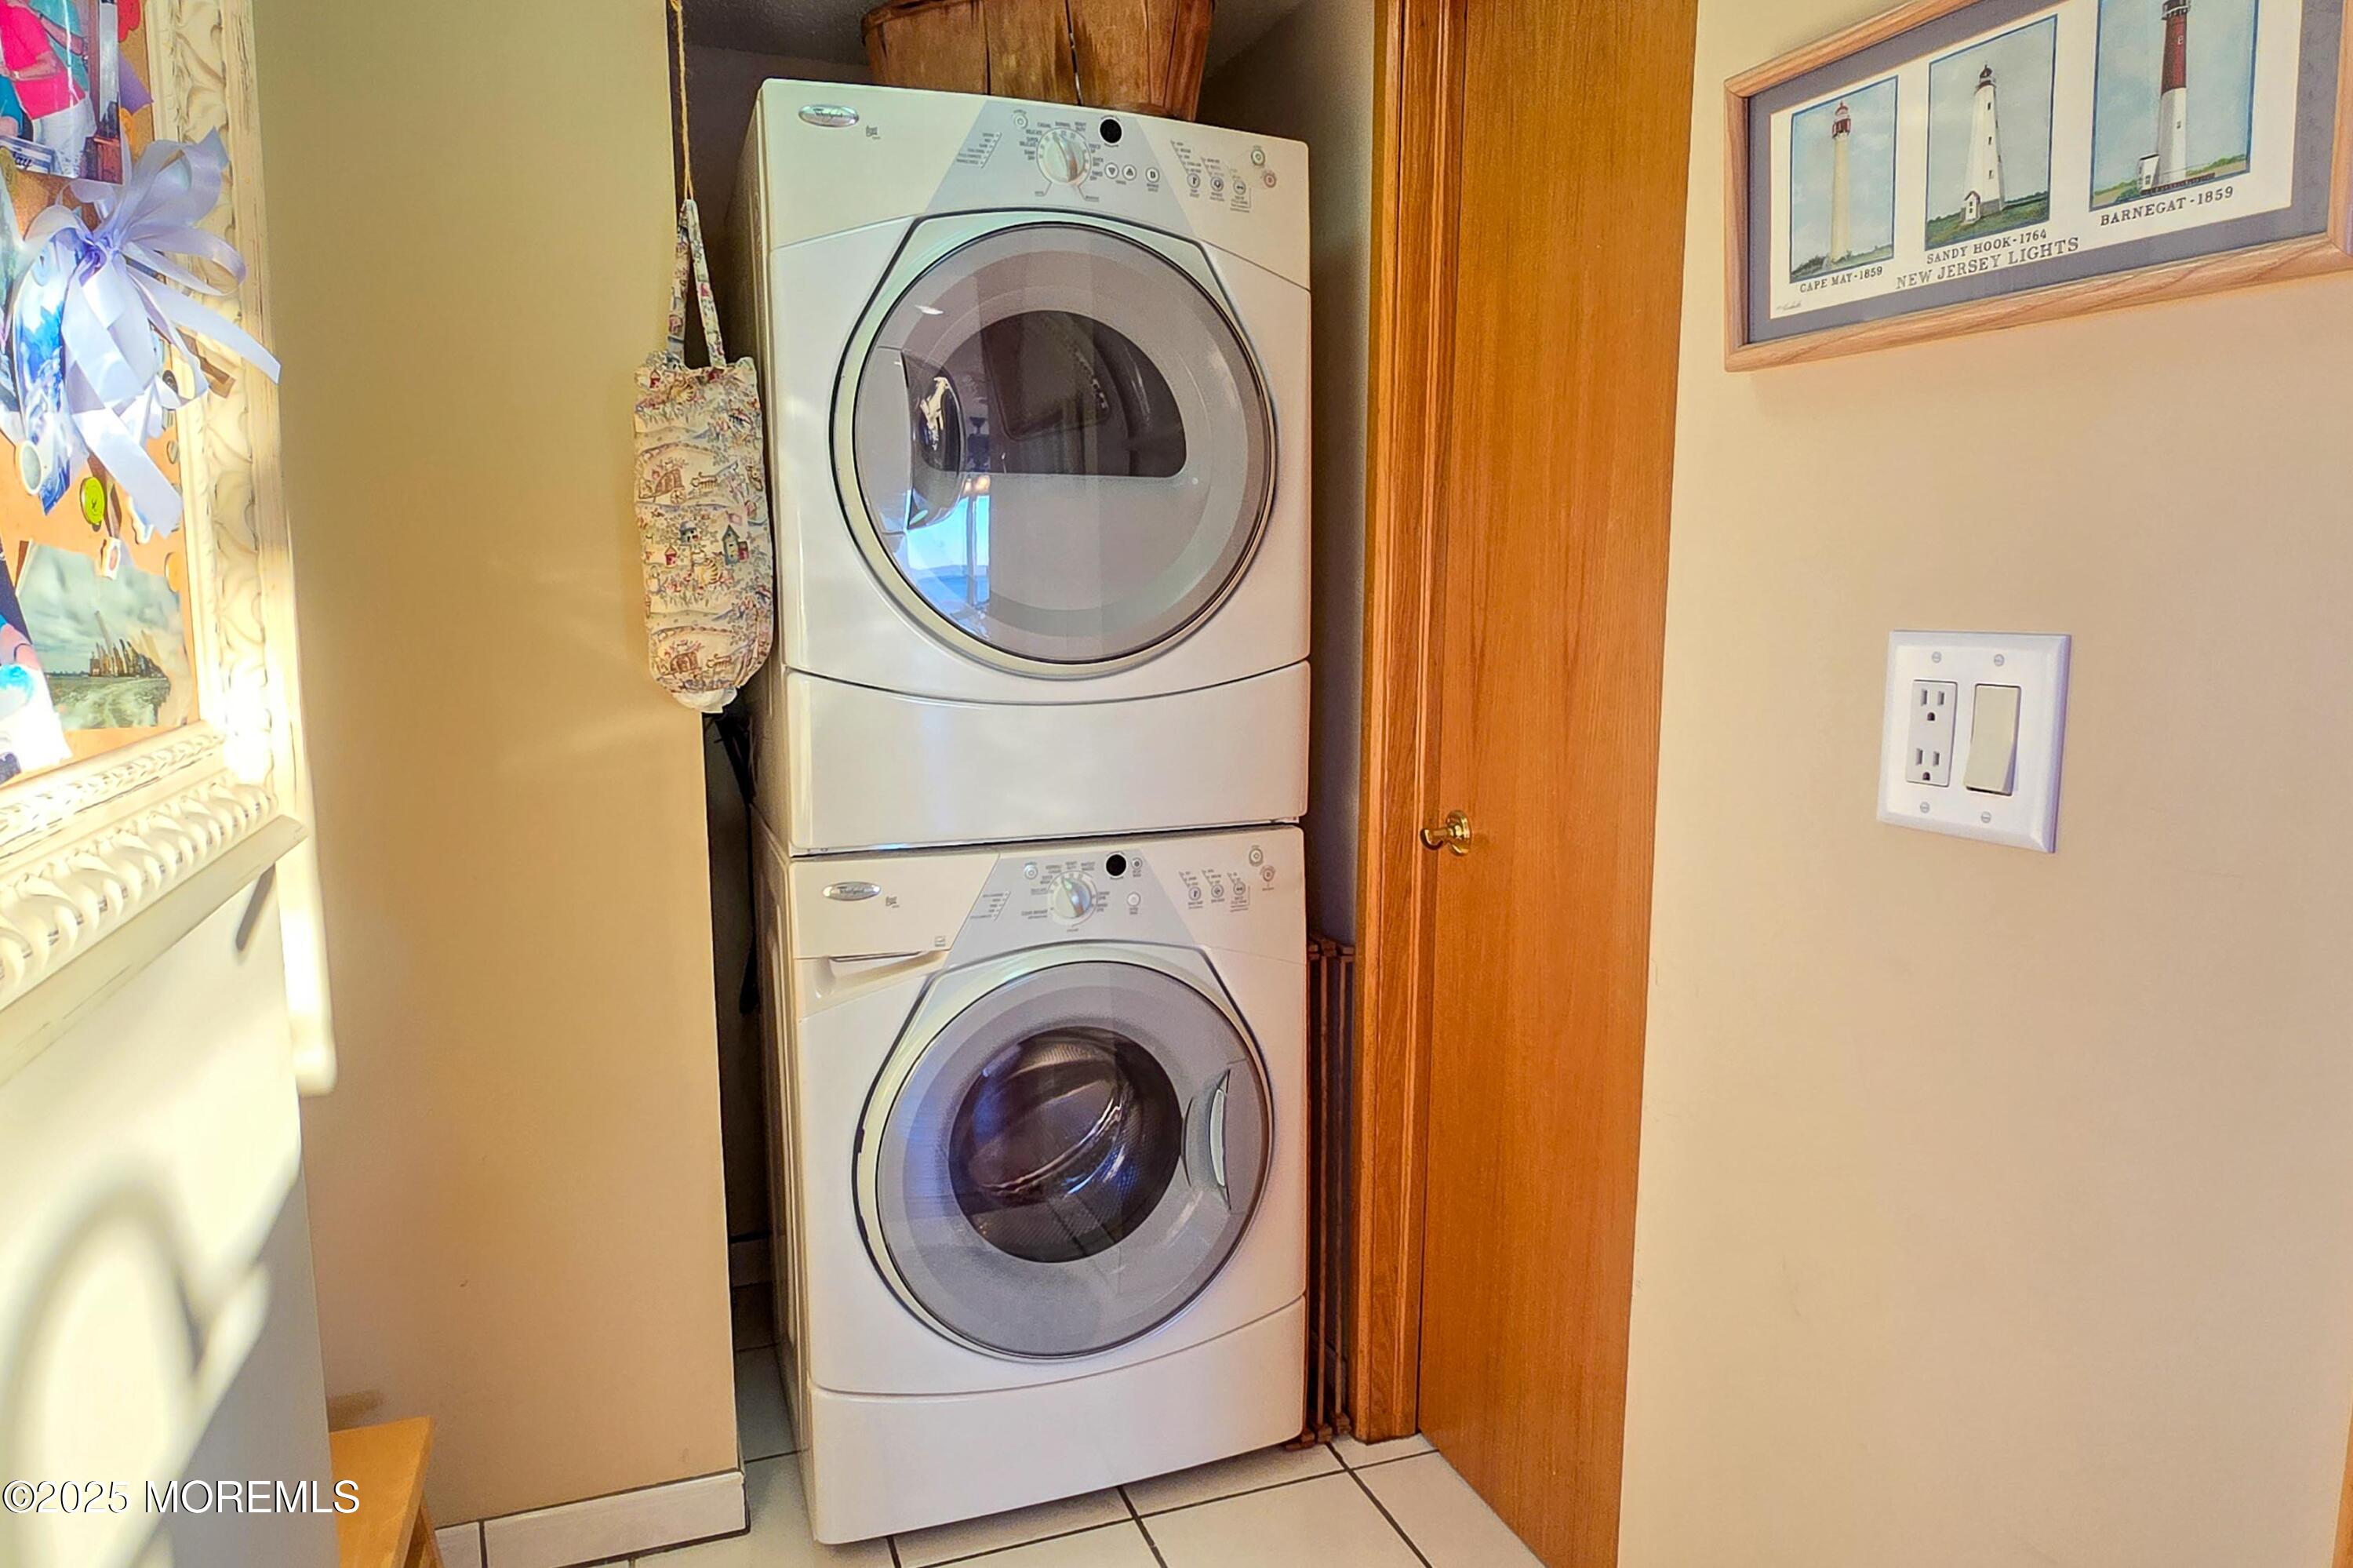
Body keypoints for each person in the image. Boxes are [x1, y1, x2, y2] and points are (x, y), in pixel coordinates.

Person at [0, 2, 90, 167]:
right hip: (39, 112)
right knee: (42, 173)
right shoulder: (7, 17)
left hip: (62, 111)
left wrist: (14, 74)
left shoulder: (19, 15)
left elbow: (51, 65)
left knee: (58, 174)